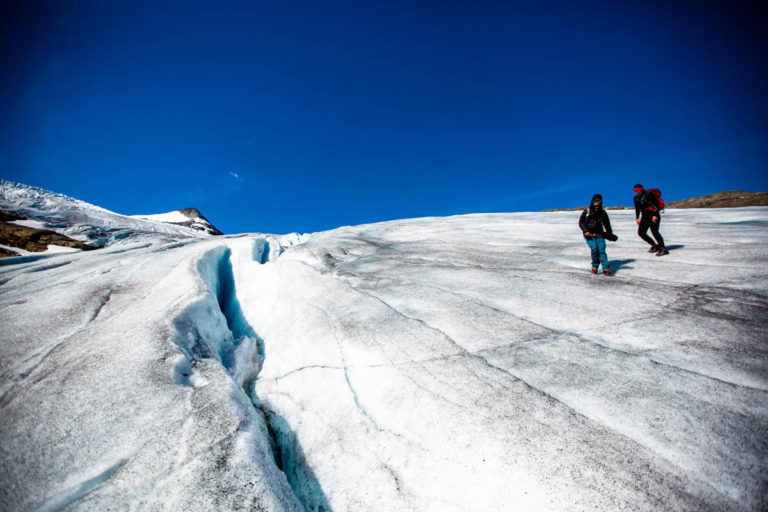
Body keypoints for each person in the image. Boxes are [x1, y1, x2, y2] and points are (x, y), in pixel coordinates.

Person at [579, 193, 615, 275]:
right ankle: (595, 266)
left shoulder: (603, 213)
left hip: (599, 234)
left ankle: (606, 268)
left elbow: (607, 224)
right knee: (594, 249)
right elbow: (581, 223)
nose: (596, 207)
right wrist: (585, 231)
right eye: (595, 204)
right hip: (589, 234)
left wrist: (609, 234)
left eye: (598, 205)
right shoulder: (587, 211)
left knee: (602, 250)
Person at [633, 184, 668, 256]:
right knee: (641, 232)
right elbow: (637, 208)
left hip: (653, 213)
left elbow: (656, 204)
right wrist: (637, 217)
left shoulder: (649, 194)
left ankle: (662, 248)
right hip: (644, 215)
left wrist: (655, 214)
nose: (637, 192)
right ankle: (654, 245)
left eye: (639, 190)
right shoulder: (636, 198)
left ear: (642, 189)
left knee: (654, 231)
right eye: (636, 191)